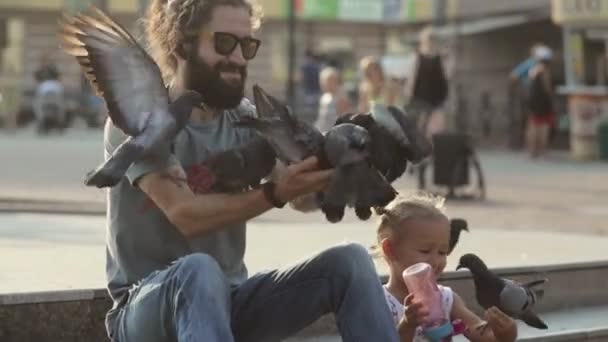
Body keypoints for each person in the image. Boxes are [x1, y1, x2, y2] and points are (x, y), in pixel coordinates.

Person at [103, 1, 400, 341]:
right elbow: (184, 213)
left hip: (230, 303)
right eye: (224, 43)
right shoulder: (140, 121)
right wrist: (274, 194)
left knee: (351, 261)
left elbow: (299, 196)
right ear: (181, 44)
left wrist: (343, 163)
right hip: (145, 308)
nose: (238, 58)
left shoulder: (247, 119)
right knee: (199, 270)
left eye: (247, 46)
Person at [374, 194, 518, 342]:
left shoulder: (446, 299)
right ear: (390, 250)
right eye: (425, 251)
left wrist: (505, 334)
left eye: (442, 252)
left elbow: (482, 333)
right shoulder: (379, 302)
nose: (435, 261)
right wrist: (407, 324)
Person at [406, 26, 449, 140]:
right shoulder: (418, 57)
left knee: (436, 127)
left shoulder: (441, 57)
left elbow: (446, 76)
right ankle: (421, 149)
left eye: (433, 40)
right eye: (428, 40)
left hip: (437, 96)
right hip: (420, 95)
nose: (431, 42)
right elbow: (412, 76)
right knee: (420, 125)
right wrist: (409, 92)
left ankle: (434, 148)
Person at [525, 46, 554, 159]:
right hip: (542, 103)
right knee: (542, 127)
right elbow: (547, 88)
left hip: (533, 102)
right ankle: (541, 151)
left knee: (533, 126)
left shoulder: (534, 70)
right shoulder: (544, 70)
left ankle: (532, 151)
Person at [314, 66, 352, 132]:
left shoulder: (341, 97)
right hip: (322, 131)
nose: (326, 84)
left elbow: (345, 119)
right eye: (324, 81)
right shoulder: (324, 97)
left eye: (330, 81)